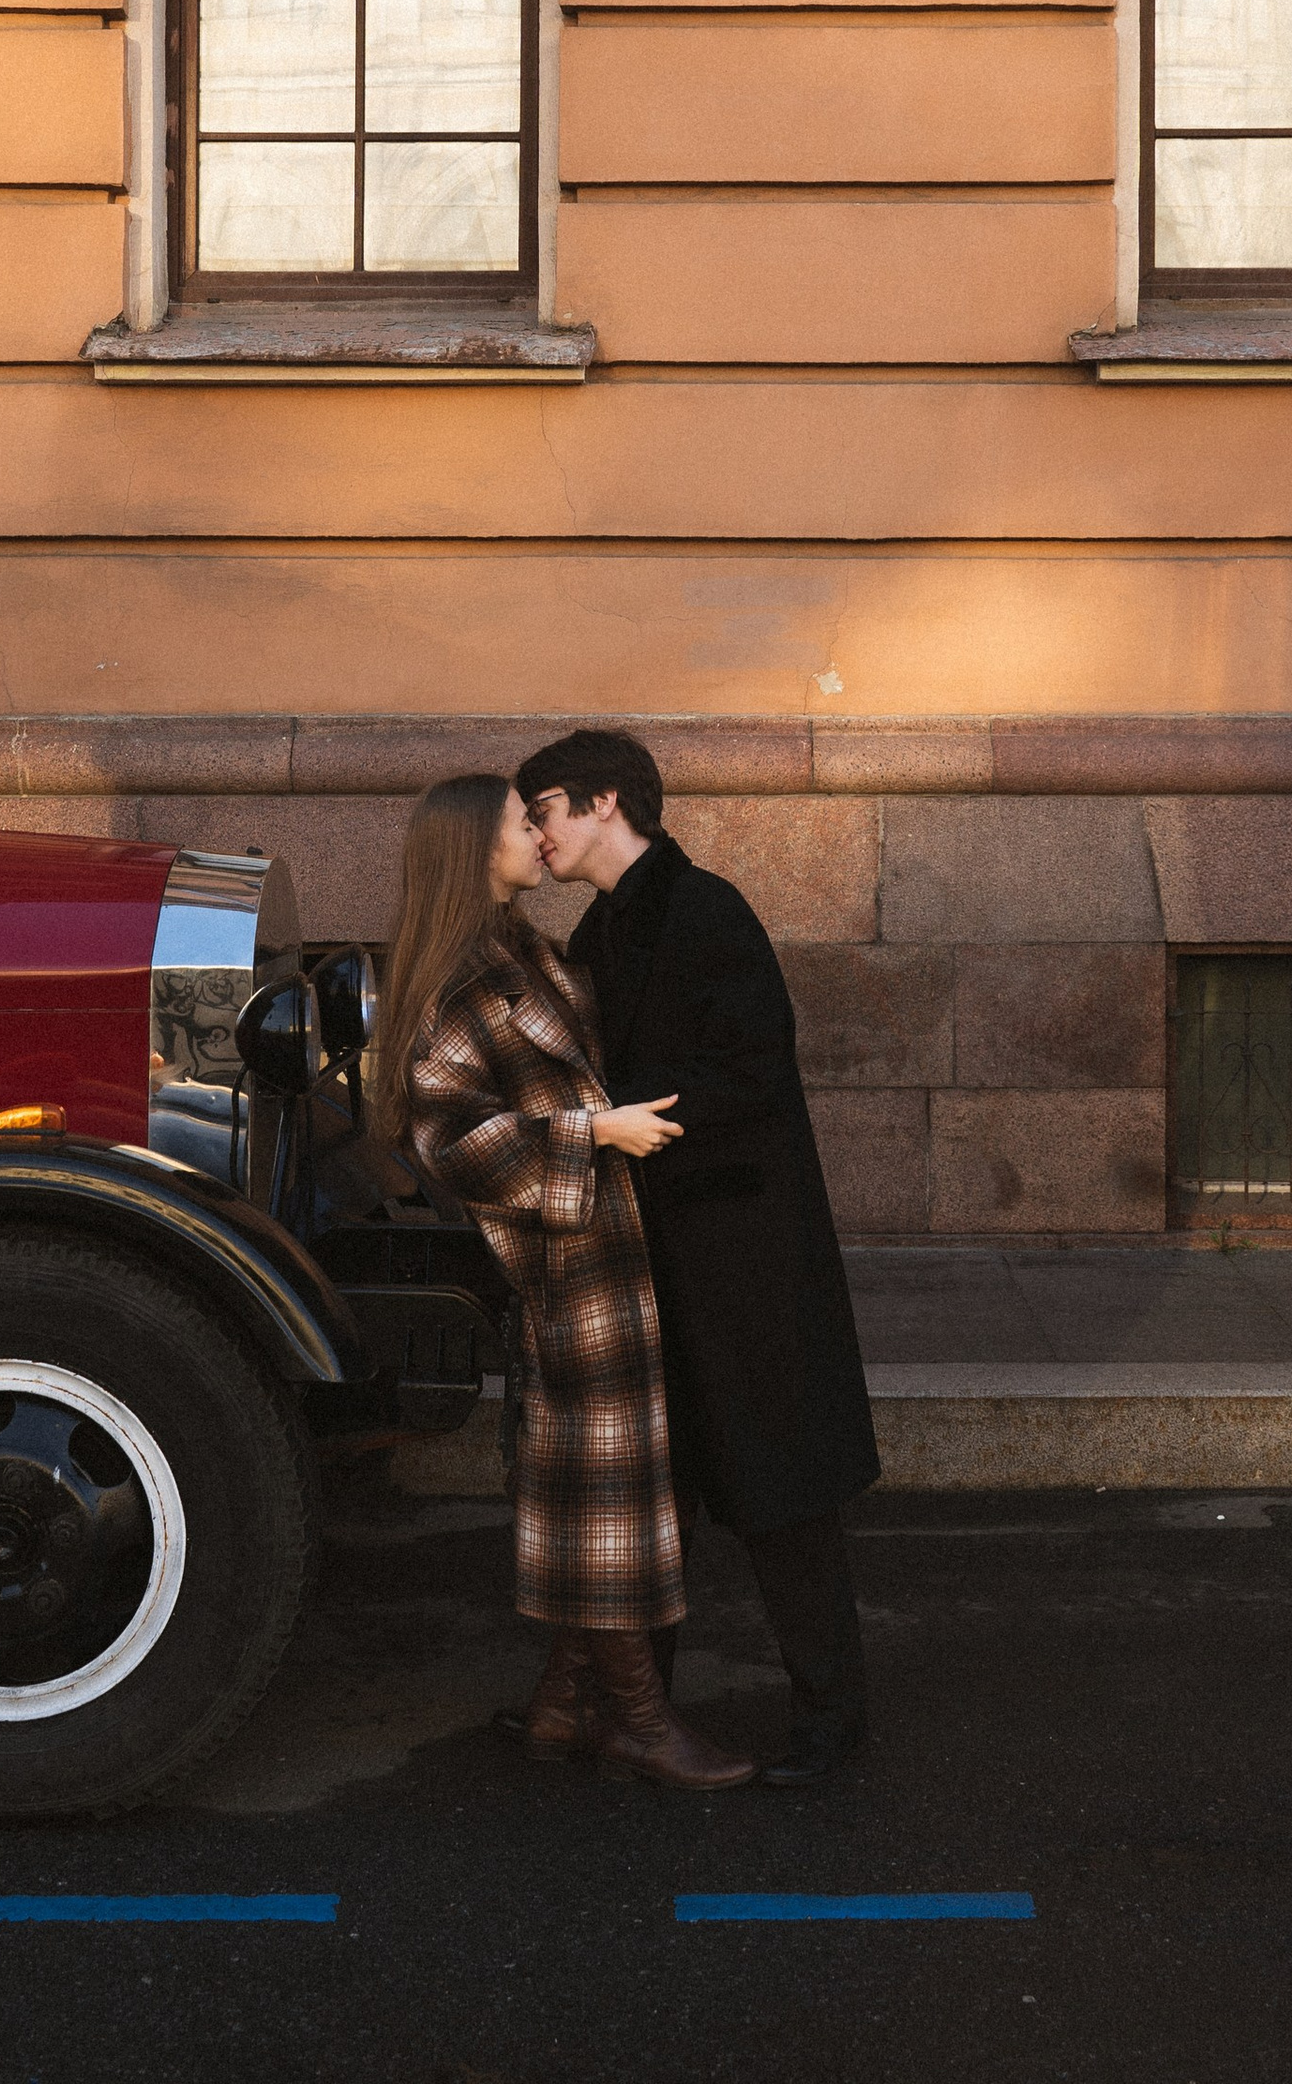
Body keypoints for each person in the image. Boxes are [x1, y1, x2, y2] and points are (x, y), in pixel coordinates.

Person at [375, 771, 755, 1791]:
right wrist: (595, 1132)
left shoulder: (525, 951)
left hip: (604, 1257)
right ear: (471, 848)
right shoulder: (461, 979)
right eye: (517, 821)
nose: (536, 836)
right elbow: (446, 1139)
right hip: (567, 1270)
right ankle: (638, 1721)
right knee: (612, 1508)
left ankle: (559, 1703)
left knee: (610, 1489)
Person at [520, 727, 880, 1788]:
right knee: (654, 1495)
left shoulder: (705, 909)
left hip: (743, 1260)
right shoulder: (602, 929)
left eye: (543, 808)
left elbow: (755, 1070)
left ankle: (831, 1720)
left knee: (782, 1498)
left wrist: (634, 1123)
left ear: (603, 804)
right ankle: (635, 1711)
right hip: (659, 1255)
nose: (536, 833)